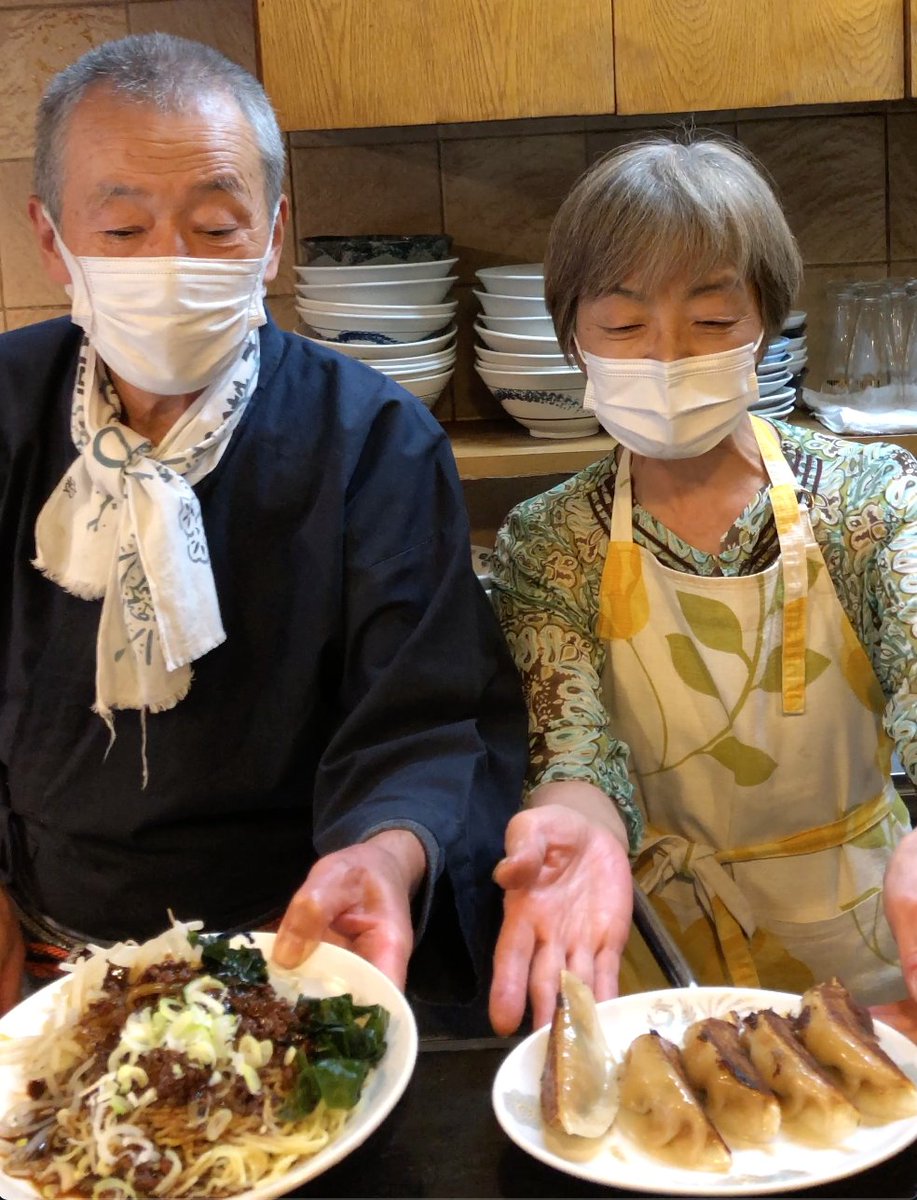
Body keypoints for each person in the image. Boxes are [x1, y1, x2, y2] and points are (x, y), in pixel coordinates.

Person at [0, 32, 529, 1023]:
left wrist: (381, 852)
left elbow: (422, 717)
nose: (170, 265)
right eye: (121, 234)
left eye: (213, 227)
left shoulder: (375, 439)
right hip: (41, 961)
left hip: (297, 959)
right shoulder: (4, 412)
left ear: (274, 233)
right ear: (49, 238)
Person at [489, 135, 917, 1037]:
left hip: (873, 963)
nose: (667, 354)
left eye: (712, 322)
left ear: (765, 325)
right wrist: (572, 831)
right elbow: (575, 752)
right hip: (653, 965)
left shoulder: (868, 501)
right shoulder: (549, 542)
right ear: (573, 341)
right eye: (623, 324)